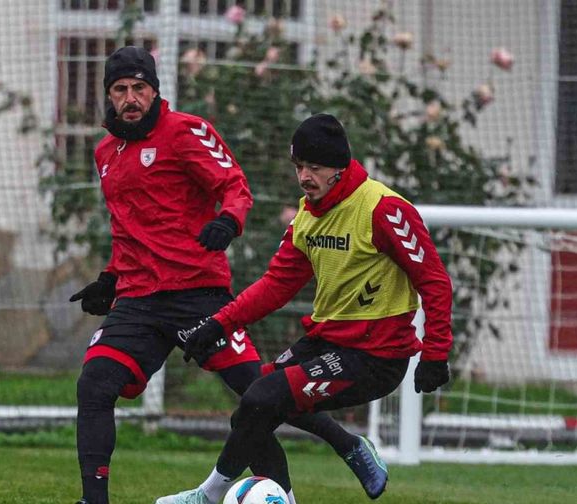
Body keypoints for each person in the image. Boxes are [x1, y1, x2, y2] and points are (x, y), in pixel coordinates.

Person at [69, 48, 385, 504]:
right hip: (138, 300)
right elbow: (130, 227)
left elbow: (234, 185)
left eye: (140, 88)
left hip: (199, 295)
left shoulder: (186, 131)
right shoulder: (106, 152)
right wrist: (111, 278)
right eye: (121, 90)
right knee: (94, 384)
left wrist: (229, 222)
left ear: (155, 90)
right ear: (109, 96)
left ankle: (348, 446)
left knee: (259, 394)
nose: (131, 98)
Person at [157, 113, 454, 504]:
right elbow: (276, 285)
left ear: (340, 168)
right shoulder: (308, 215)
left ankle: (207, 497)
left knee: (264, 400)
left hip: (376, 356)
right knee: (251, 410)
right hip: (328, 342)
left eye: (314, 167)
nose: (304, 177)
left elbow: (434, 280)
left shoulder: (383, 210)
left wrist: (434, 353)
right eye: (299, 167)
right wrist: (219, 325)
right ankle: (334, 458)